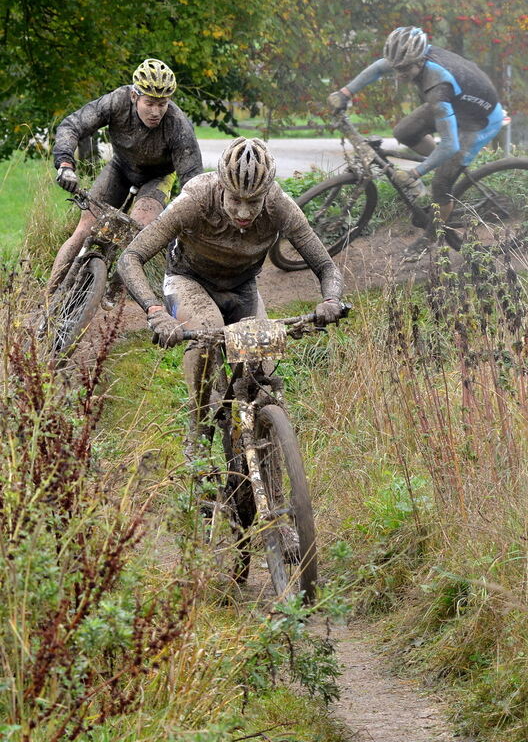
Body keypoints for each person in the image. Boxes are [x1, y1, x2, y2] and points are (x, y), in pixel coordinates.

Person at [117, 136, 344, 457]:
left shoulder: (280, 207)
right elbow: (131, 257)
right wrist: (156, 312)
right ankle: (197, 427)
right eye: (235, 199)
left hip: (242, 288)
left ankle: (264, 452)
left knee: (262, 372)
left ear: (267, 192)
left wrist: (331, 300)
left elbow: (326, 266)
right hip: (187, 281)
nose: (243, 211)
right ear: (222, 185)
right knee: (207, 334)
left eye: (254, 201)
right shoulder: (195, 200)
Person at [328, 26, 505, 257]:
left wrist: (416, 173)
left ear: (420, 62)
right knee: (404, 132)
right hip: (457, 104)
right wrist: (345, 93)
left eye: (404, 69)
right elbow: (378, 68)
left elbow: (450, 144)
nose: (399, 74)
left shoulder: (437, 86)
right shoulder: (408, 58)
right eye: (396, 68)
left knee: (440, 186)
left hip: (479, 122)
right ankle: (442, 166)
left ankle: (431, 237)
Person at [49, 58, 203, 292]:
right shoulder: (116, 102)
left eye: (162, 104)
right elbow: (72, 125)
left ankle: (117, 287)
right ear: (134, 96)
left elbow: (193, 183)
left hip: (158, 177)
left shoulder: (177, 125)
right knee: (84, 230)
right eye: (150, 103)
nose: (156, 112)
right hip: (120, 168)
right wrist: (65, 164)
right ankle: (49, 297)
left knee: (140, 229)